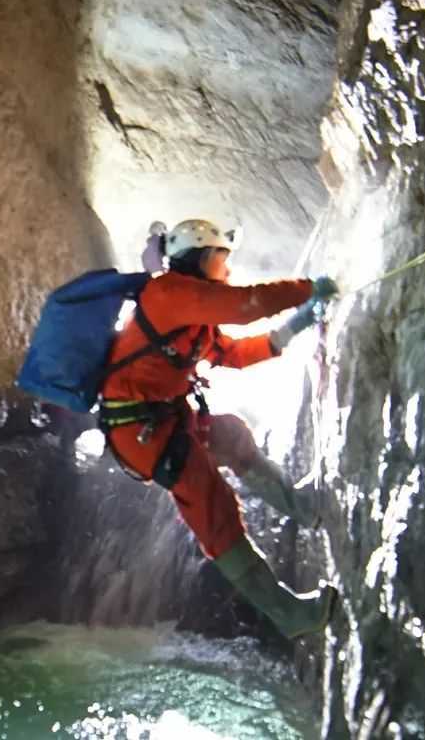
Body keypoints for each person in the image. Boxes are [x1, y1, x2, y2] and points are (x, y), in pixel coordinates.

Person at [99, 217, 340, 638]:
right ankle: (290, 615)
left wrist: (296, 325)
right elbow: (245, 304)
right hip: (140, 430)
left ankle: (303, 508)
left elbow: (236, 353)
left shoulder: (193, 316)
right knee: (215, 510)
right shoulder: (168, 294)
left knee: (232, 435)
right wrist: (306, 288)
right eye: (222, 259)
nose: (227, 269)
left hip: (164, 418)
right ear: (205, 256)